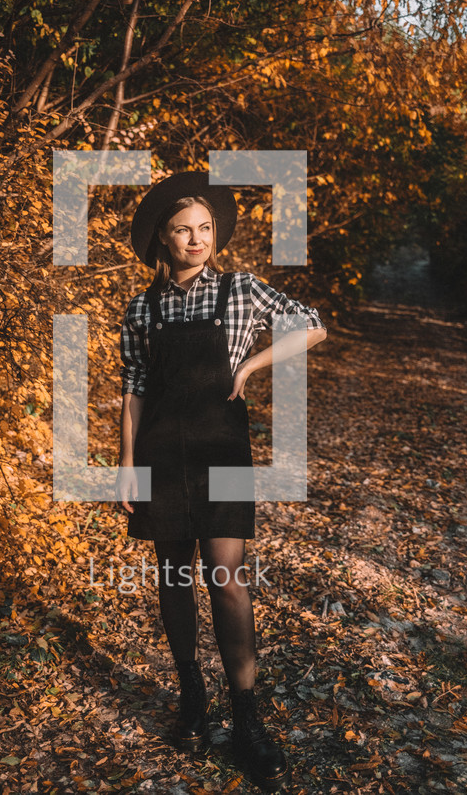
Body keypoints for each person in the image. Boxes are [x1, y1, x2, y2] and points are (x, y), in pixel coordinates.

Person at [115, 171, 327, 791]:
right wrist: (125, 465)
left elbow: (311, 324)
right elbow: (132, 389)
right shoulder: (142, 307)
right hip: (158, 449)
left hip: (222, 449)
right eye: (183, 230)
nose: (197, 239)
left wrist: (252, 366)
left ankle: (247, 719)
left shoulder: (240, 289)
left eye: (205, 228)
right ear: (162, 238)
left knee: (228, 581)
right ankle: (192, 706)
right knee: (175, 578)